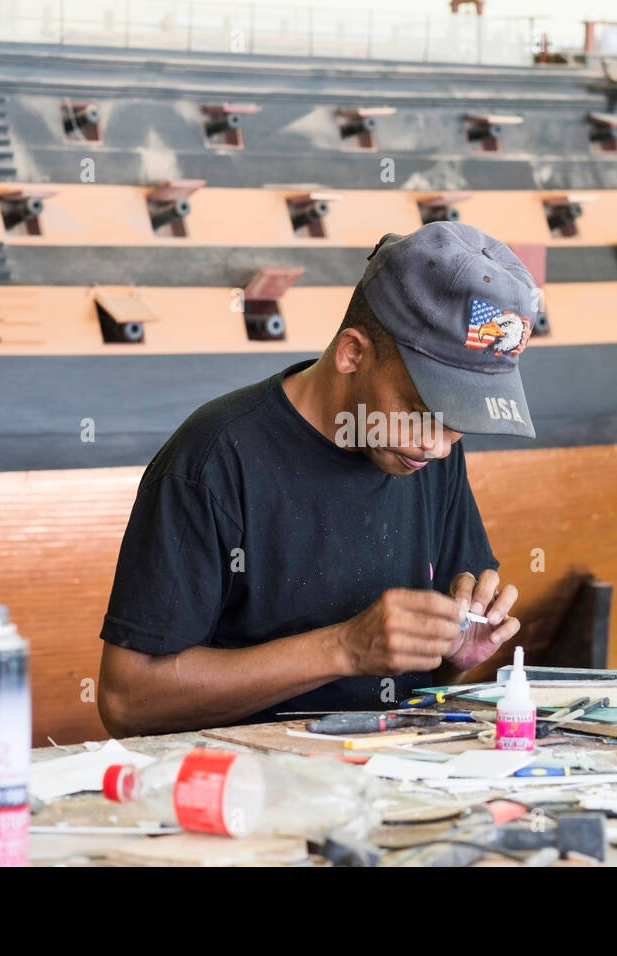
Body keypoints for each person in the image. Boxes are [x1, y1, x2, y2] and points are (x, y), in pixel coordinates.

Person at [97, 221, 539, 735]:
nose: (439, 445)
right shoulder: (215, 460)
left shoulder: (421, 453)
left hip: (393, 775)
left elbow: (428, 674)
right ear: (353, 353)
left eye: (460, 420)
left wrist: (456, 654)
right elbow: (128, 701)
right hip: (244, 791)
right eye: (422, 410)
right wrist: (344, 648)